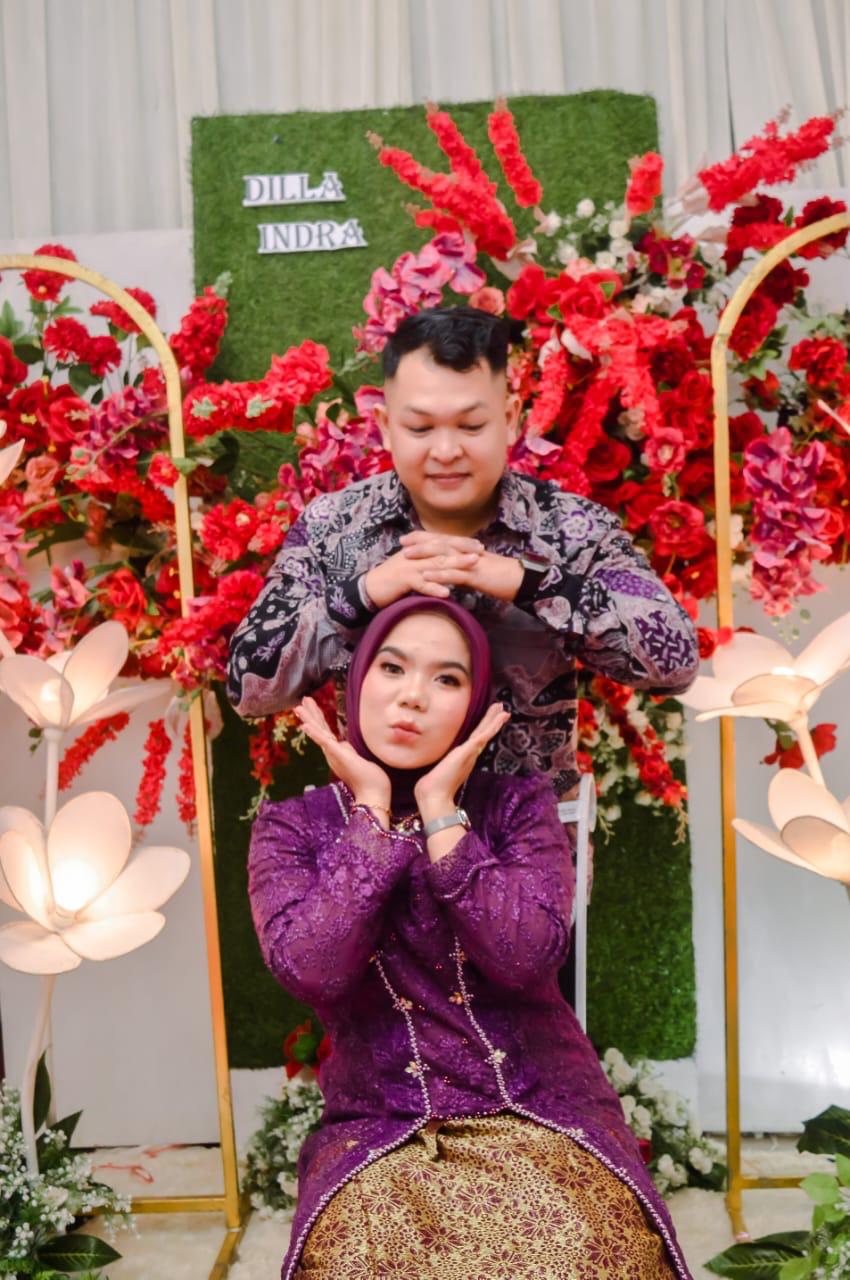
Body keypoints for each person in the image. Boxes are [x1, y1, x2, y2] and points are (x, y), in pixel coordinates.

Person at [248, 596, 693, 1280]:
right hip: (382, 1128)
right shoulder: (292, 827)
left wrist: (439, 813)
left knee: (584, 1258)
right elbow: (314, 970)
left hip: (538, 1110)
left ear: (477, 706)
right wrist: (371, 814)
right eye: (392, 667)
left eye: (447, 679)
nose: (413, 697)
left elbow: (526, 960)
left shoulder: (518, 807)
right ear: (357, 679)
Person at [227, 306, 699, 808]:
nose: (446, 450)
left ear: (510, 419)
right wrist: (362, 594)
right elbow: (248, 688)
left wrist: (530, 582)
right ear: (385, 426)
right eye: (420, 428)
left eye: (471, 426)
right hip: (376, 839)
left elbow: (676, 663)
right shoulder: (334, 527)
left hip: (528, 842)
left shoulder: (571, 529)